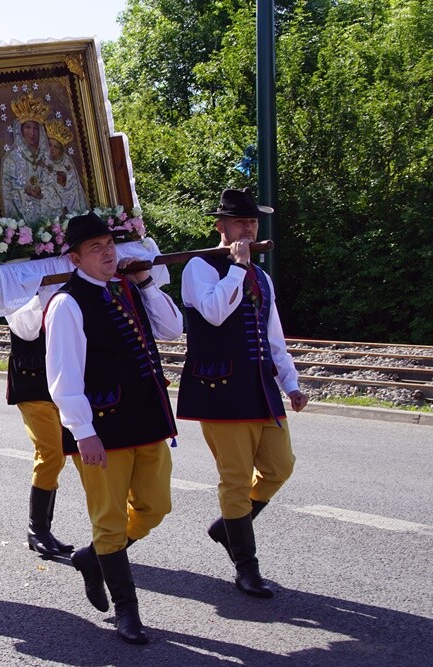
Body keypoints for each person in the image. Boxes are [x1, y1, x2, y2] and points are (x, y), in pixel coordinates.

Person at [45, 212, 183, 644]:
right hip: (103, 428)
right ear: (75, 258)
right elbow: (63, 375)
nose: (107, 254)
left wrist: (146, 282)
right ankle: (127, 610)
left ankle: (93, 558)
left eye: (109, 245)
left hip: (147, 420)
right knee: (108, 519)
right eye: (96, 248)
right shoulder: (67, 303)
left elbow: (173, 329)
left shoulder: (127, 288)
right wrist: (83, 431)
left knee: (155, 506)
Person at [176, 187, 308, 599]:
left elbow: (273, 335)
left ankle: (228, 527)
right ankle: (246, 568)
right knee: (234, 480)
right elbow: (215, 313)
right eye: (240, 223)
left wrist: (291, 383)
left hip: (261, 388)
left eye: (252, 222)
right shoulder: (199, 267)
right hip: (220, 389)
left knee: (280, 466)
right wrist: (236, 267)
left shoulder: (261, 276)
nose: (248, 229)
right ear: (221, 226)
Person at [4, 296, 74, 558]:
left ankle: (43, 529)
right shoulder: (20, 292)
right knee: (51, 454)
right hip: (33, 385)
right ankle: (37, 529)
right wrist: (44, 291)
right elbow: (28, 329)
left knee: (58, 456)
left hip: (64, 385)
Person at [1, 93, 53, 222]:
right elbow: (6, 192)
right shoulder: (11, 159)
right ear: (20, 130)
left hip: (49, 218)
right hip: (22, 219)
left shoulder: (47, 157)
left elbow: (54, 185)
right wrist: (24, 191)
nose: (32, 133)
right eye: (28, 127)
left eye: (35, 128)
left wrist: (41, 190)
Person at [42, 118, 87, 217]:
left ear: (61, 150)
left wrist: (61, 179)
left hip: (69, 201)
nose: (52, 149)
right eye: (50, 145)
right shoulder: (43, 159)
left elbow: (73, 186)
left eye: (56, 147)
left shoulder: (67, 162)